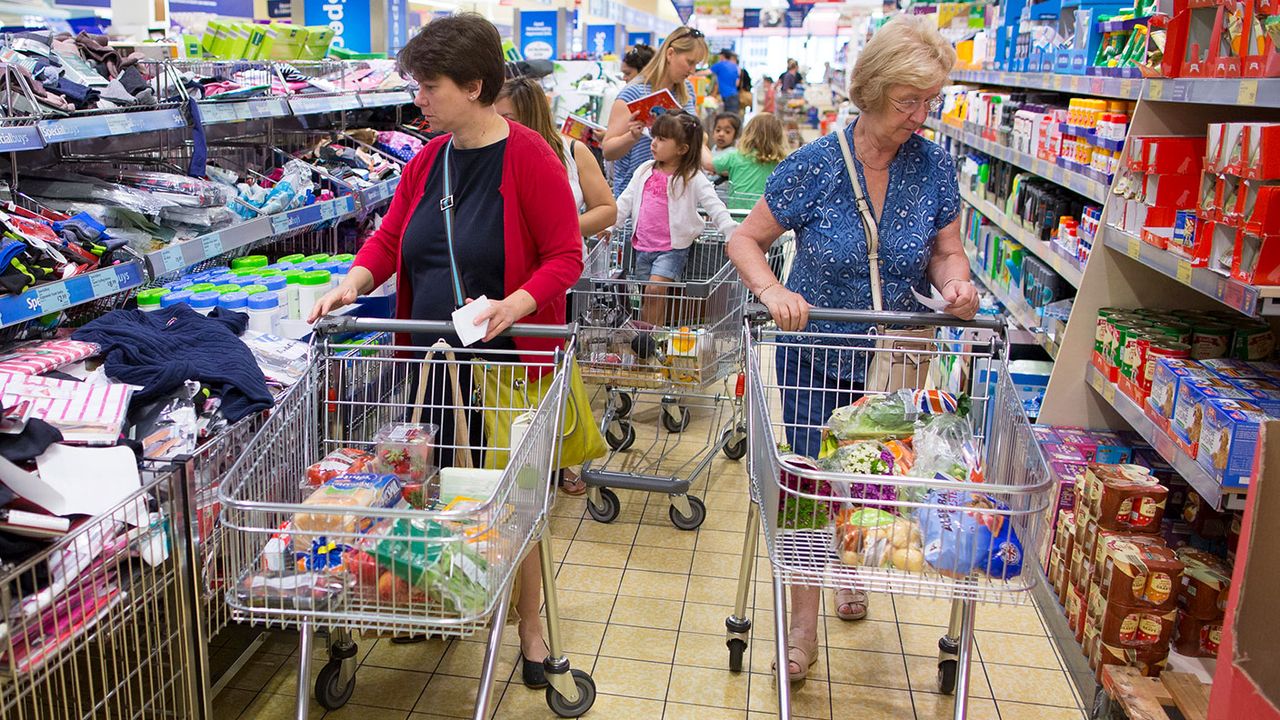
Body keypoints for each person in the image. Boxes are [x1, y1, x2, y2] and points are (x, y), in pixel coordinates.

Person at [305, 12, 584, 690]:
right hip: (432, 363)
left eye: (429, 87)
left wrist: (512, 307)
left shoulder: (529, 157)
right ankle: (449, 592)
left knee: (508, 502)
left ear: (474, 85)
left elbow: (565, 256)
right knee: (442, 494)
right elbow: (392, 238)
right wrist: (351, 283)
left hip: (505, 365)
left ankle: (530, 622)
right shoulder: (427, 159)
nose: (418, 100)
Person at [724, 14, 978, 683]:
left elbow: (945, 253)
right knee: (808, 485)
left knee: (871, 484)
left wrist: (957, 287)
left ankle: (850, 560)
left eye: (932, 102)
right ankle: (801, 629)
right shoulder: (814, 166)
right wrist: (773, 289)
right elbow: (743, 240)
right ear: (870, 93)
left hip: (893, 366)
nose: (922, 116)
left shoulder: (934, 166)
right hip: (813, 358)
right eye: (908, 103)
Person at [494, 76, 616, 496]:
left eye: (507, 115)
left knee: (552, 367)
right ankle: (521, 451)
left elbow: (607, 210)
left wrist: (558, 231)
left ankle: (564, 454)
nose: (498, 121)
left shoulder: (571, 150)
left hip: (556, 275)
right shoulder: (491, 151)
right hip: (503, 278)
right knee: (515, 372)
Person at [615, 111, 736, 327]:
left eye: (662, 139)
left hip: (672, 248)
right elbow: (625, 201)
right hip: (642, 246)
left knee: (655, 290)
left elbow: (714, 205)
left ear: (682, 148)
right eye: (654, 136)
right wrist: (608, 224)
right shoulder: (644, 170)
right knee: (648, 296)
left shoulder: (692, 176)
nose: (654, 143)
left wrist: (730, 232)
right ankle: (650, 340)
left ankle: (648, 338)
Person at [603, 26, 709, 197]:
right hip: (637, 196)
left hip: (676, 193)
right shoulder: (633, 93)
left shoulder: (686, 91)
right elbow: (608, 151)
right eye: (689, 62)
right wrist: (632, 136)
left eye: (696, 64)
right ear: (670, 54)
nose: (692, 71)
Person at [703, 112, 786, 210]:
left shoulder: (736, 156)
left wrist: (701, 142)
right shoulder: (780, 162)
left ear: (748, 133)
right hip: (765, 217)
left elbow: (708, 163)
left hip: (737, 215)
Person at [709, 48, 740, 114]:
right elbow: (737, 83)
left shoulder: (720, 65)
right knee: (732, 117)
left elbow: (707, 72)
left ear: (722, 56)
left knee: (727, 117)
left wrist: (693, 74)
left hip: (726, 95)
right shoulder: (735, 66)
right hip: (734, 95)